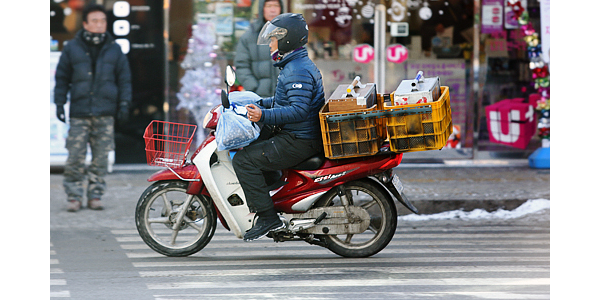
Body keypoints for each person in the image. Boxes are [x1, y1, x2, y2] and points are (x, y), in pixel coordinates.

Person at [232, 13, 325, 241]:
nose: (271, 44)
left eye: (274, 39)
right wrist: (258, 103)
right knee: (257, 146)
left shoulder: (297, 70)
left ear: (287, 39)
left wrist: (263, 114)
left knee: (244, 160)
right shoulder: (294, 64)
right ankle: (274, 196)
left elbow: (298, 110)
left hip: (300, 140)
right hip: (299, 135)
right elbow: (285, 102)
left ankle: (267, 217)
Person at [54, 4, 132, 212]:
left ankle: (95, 195)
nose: (100, 25)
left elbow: (124, 79)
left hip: (105, 112)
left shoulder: (114, 48)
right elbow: (62, 78)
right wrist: (59, 103)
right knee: (75, 158)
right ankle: (74, 196)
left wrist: (124, 103)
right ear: (86, 23)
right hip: (80, 112)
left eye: (103, 21)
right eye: (95, 21)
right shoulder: (72, 48)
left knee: (100, 158)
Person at [234, 0, 283, 97]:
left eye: (276, 6)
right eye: (269, 6)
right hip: (259, 99)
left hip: (286, 100)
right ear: (262, 9)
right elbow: (241, 65)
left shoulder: (291, 34)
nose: (273, 10)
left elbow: (301, 63)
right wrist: (253, 88)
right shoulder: (249, 36)